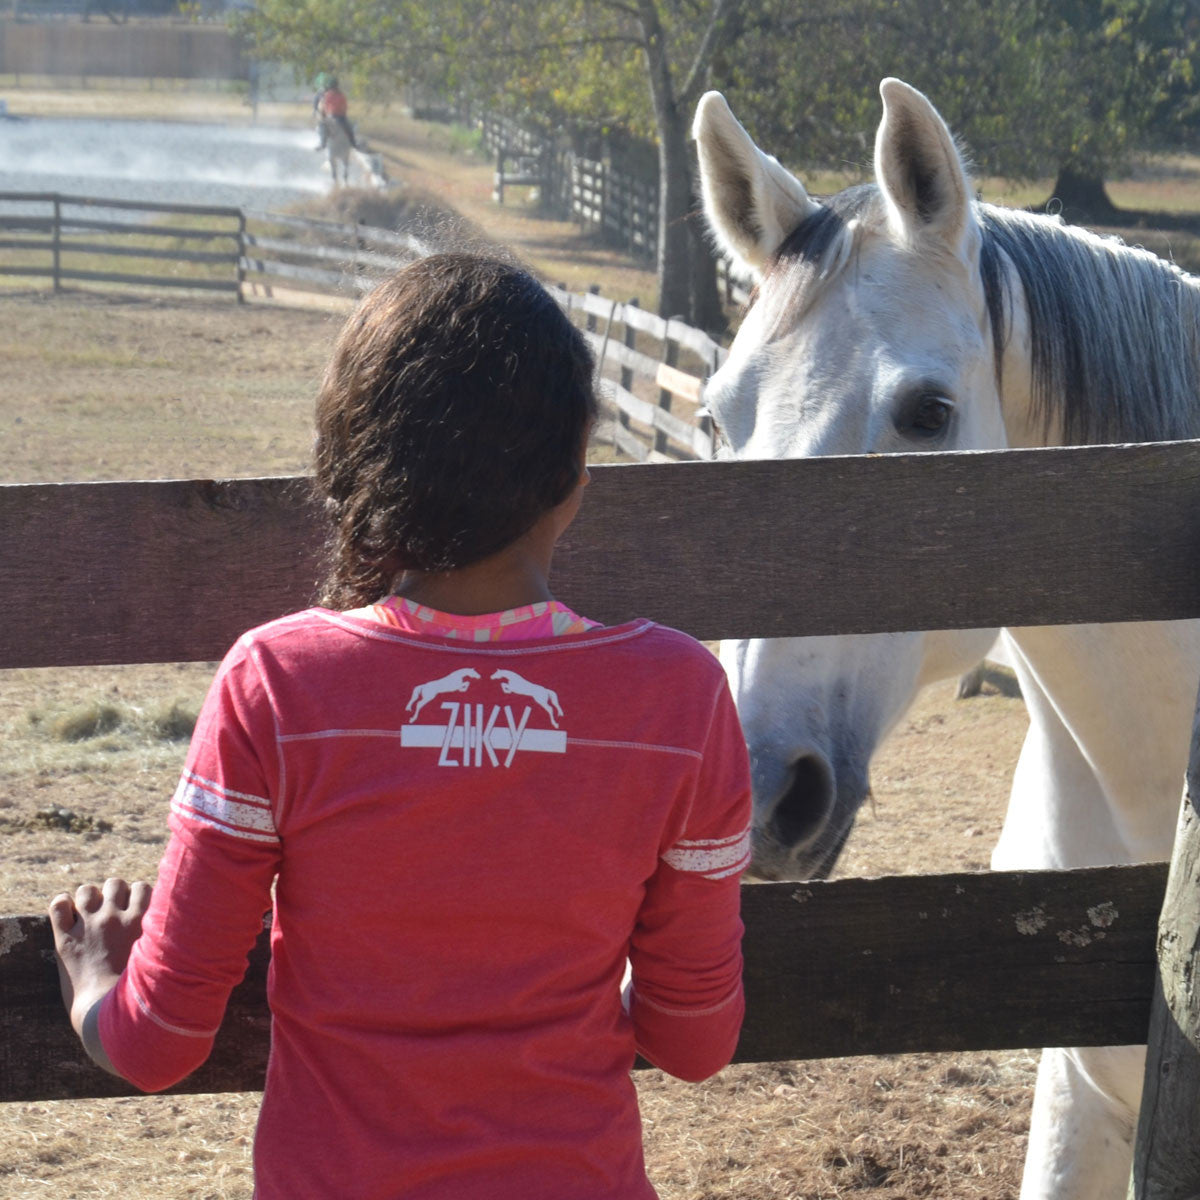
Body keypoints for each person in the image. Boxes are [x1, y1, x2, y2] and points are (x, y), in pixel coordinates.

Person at [49, 253, 752, 1200]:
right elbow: (695, 1041)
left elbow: (156, 1046)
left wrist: (96, 980)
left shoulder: (280, 685)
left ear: (354, 463)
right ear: (577, 469)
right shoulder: (679, 700)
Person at [315, 74, 357, 150]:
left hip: (330, 117)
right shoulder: (341, 95)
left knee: (322, 126)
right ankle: (353, 144)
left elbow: (323, 107)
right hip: (341, 117)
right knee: (349, 129)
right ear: (337, 86)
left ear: (329, 86)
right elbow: (345, 107)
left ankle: (322, 143)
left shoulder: (326, 95)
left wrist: (323, 115)